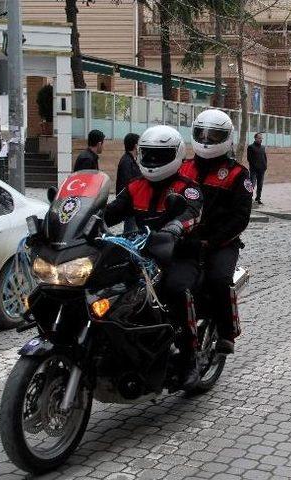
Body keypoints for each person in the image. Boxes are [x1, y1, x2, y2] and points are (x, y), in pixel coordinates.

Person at [104, 125, 203, 390]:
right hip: (140, 255)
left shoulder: (187, 188)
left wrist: (174, 228)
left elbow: (191, 213)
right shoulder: (135, 187)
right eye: (149, 154)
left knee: (176, 288)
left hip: (180, 255)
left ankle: (190, 356)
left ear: (176, 154)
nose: (153, 160)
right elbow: (110, 212)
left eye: (161, 155)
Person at [179, 109, 252, 355]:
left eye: (214, 136)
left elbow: (240, 218)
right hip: (183, 240)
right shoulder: (183, 167)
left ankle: (226, 331)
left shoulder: (237, 174)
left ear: (227, 138)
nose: (207, 141)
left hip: (219, 243)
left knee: (218, 279)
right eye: (203, 134)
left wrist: (212, 241)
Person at [116, 133, 142, 233]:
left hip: (132, 205)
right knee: (130, 232)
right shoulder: (127, 162)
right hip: (129, 206)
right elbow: (128, 184)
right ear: (136, 146)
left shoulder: (130, 160)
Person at [247, 132, 267, 205]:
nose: (261, 139)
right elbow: (249, 159)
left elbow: (264, 157)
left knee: (260, 184)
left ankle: (258, 198)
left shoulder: (263, 147)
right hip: (254, 170)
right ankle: (249, 198)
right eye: (259, 138)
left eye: (261, 138)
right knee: (252, 184)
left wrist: (265, 166)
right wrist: (255, 166)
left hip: (262, 169)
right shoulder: (251, 147)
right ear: (255, 138)